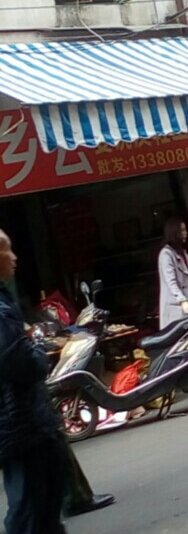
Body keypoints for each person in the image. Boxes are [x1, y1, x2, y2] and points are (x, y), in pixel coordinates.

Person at [0, 229, 68, 534]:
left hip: (20, 425)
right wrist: (39, 348)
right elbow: (20, 361)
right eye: (8, 250)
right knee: (32, 509)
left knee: (38, 507)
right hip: (22, 425)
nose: (14, 258)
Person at [157, 217, 188, 330]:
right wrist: (183, 301)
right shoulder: (166, 255)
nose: (185, 233)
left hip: (187, 306)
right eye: (182, 230)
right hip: (174, 308)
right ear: (174, 233)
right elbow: (171, 282)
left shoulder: (185, 255)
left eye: (185, 230)